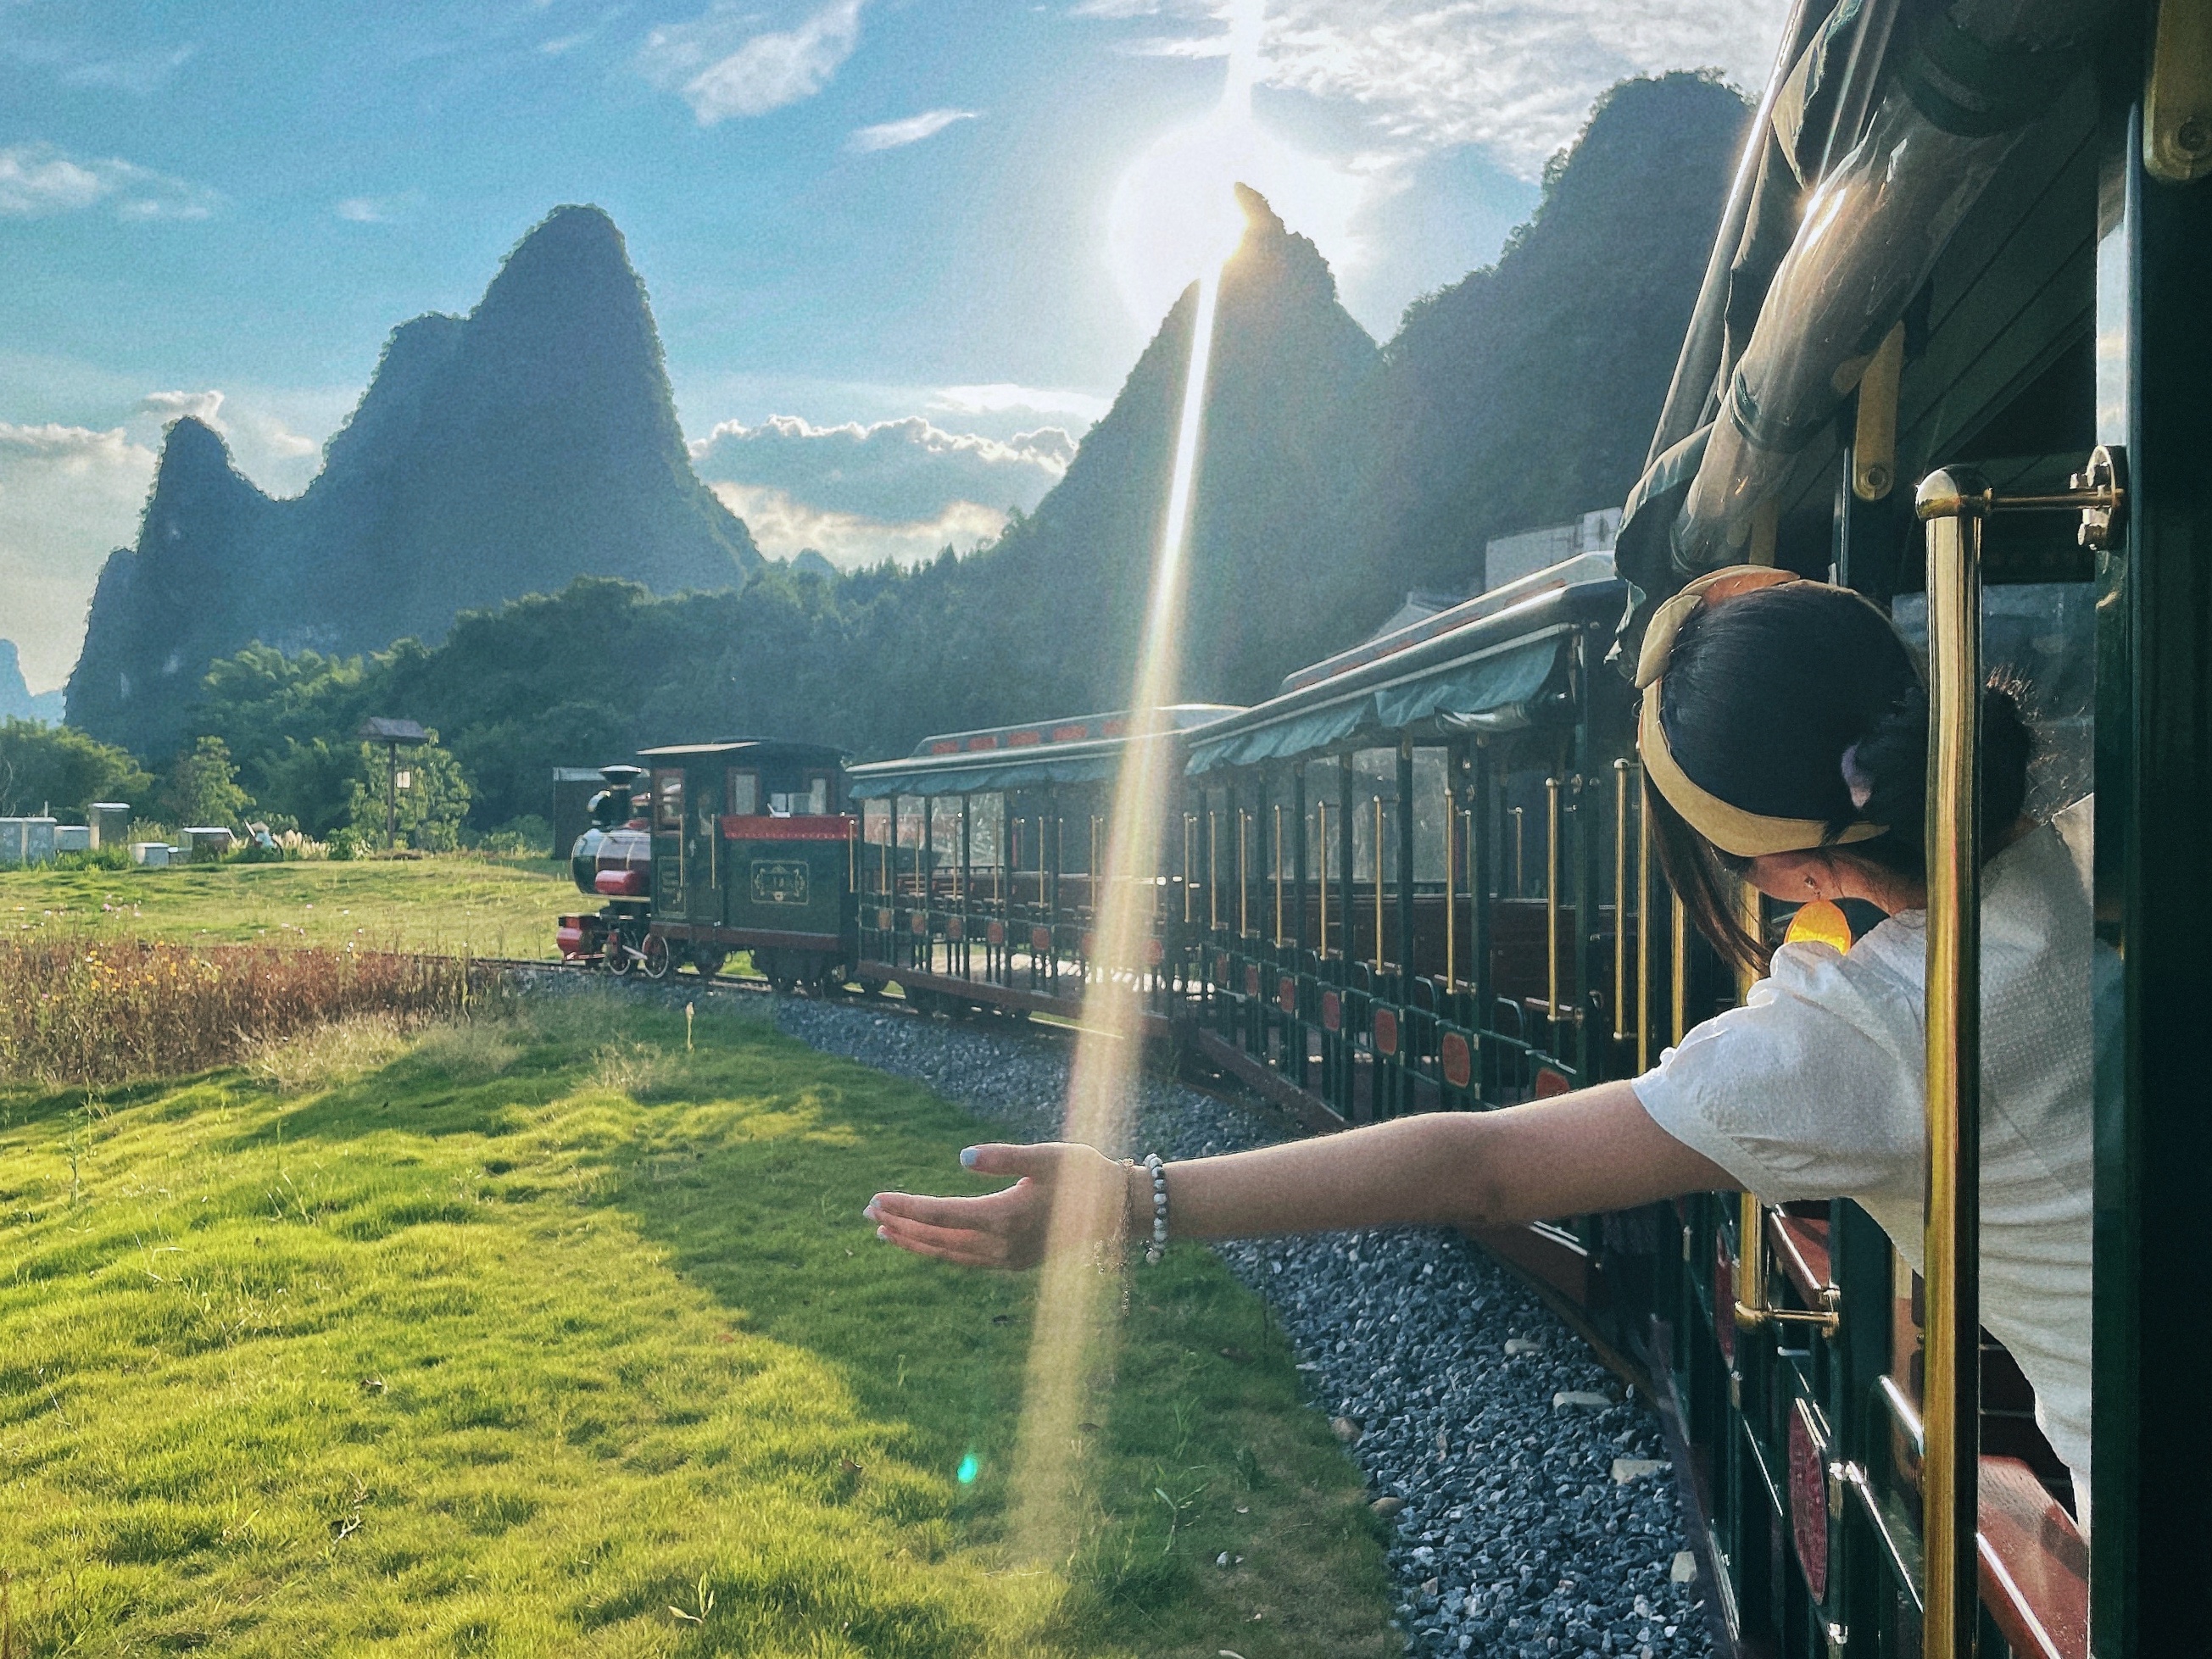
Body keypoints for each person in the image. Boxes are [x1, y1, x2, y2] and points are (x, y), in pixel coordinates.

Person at [866, 565, 2098, 1511]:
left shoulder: (1866, 1029)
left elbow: (1483, 1165)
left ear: (1771, 862)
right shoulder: (2055, 858)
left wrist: (1133, 1200)